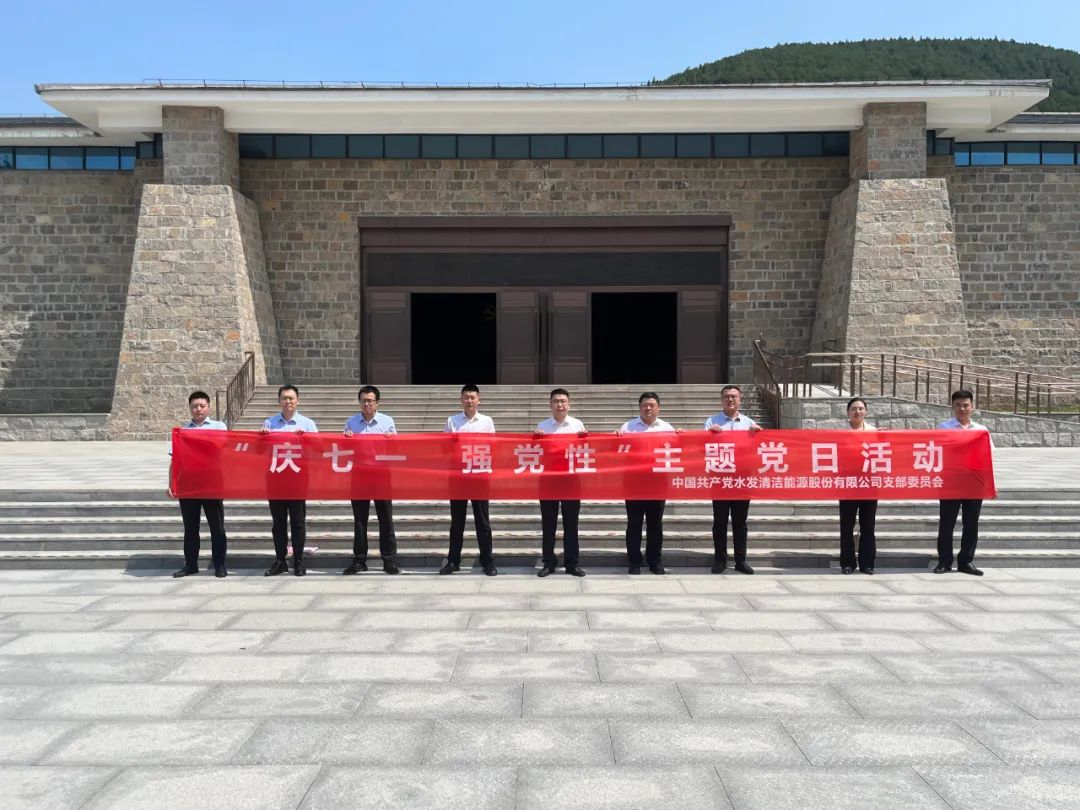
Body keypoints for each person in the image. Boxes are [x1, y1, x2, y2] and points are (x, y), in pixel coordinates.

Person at [168, 391, 229, 578]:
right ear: (190, 408)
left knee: (217, 527)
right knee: (190, 528)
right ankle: (191, 565)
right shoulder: (182, 431)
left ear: (208, 407)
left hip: (212, 484)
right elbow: (174, 460)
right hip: (189, 485)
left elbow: (223, 450)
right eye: (194, 406)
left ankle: (219, 565)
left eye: (202, 406)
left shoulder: (219, 427)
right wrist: (171, 483)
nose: (198, 409)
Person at [259, 385, 318, 577]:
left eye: (291, 398)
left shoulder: (307, 424)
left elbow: (318, 450)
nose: (288, 401)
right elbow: (260, 452)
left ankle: (298, 561)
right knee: (278, 523)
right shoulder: (269, 423)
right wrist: (262, 439)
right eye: (284, 398)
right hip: (275, 478)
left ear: (297, 400)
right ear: (279, 401)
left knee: (298, 522)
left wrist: (306, 439)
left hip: (298, 479)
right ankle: (280, 561)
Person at [342, 385, 400, 575]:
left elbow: (397, 449)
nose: (367, 404)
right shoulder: (351, 422)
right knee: (360, 520)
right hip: (359, 475)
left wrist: (392, 440)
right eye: (363, 401)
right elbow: (343, 450)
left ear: (377, 403)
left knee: (386, 518)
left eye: (370, 400)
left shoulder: (387, 421)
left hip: (382, 475)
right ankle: (360, 560)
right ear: (359, 402)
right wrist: (346, 439)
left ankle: (389, 560)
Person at [617, 392, 676, 575]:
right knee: (634, 523)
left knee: (655, 524)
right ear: (639, 407)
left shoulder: (667, 428)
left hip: (658, 483)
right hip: (633, 483)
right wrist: (615, 439)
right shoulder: (628, 427)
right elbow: (618, 453)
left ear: (658, 407)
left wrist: (681, 436)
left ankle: (654, 561)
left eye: (652, 405)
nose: (648, 408)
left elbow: (677, 451)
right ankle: (634, 561)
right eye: (644, 405)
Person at [441, 384, 497, 576]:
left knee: (483, 522)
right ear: (461, 400)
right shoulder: (452, 421)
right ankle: (453, 561)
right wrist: (452, 442)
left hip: (480, 475)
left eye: (473, 397)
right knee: (457, 522)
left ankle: (487, 561)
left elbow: (493, 446)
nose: (469, 401)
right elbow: (444, 448)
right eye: (466, 397)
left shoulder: (487, 421)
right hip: (458, 476)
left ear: (479, 400)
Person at [934, 390, 991, 577]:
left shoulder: (981, 430)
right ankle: (944, 561)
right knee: (947, 523)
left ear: (972, 407)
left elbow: (988, 457)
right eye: (958, 405)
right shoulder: (944, 428)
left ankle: (966, 561)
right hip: (951, 482)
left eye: (966, 405)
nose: (962, 409)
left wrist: (989, 483)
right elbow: (939, 452)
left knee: (971, 523)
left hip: (974, 483)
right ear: (952, 406)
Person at [705, 385, 760, 575]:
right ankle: (720, 560)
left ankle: (740, 560)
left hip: (742, 479)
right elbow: (701, 446)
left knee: (740, 522)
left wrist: (758, 434)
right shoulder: (711, 421)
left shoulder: (748, 422)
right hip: (720, 479)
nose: (730, 399)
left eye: (734, 396)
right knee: (719, 521)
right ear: (721, 400)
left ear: (740, 399)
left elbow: (759, 448)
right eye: (726, 396)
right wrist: (709, 435)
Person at [535, 388, 588, 578]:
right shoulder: (542, 426)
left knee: (571, 524)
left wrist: (585, 439)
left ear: (569, 404)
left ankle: (571, 563)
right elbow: (535, 453)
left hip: (571, 480)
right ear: (550, 405)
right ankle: (548, 562)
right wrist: (535, 439)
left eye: (563, 401)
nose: (560, 405)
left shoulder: (577, 425)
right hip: (548, 480)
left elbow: (585, 451)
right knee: (548, 524)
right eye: (556, 401)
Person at [839, 397, 877, 575]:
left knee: (868, 525)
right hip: (847, 484)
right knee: (847, 526)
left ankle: (867, 563)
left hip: (869, 484)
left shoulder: (874, 432)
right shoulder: (839, 433)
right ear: (848, 412)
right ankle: (847, 563)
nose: (857, 412)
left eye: (861, 409)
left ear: (866, 412)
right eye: (854, 409)